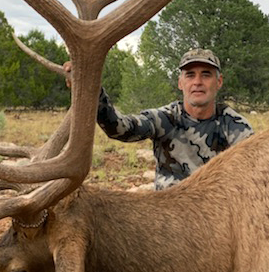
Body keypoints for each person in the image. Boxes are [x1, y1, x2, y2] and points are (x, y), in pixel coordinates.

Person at [65, 48, 253, 190]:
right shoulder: (165, 118)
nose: (197, 82)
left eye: (206, 75)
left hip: (217, 215)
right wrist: (93, 90)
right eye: (190, 75)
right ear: (181, 83)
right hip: (169, 216)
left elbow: (254, 170)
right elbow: (119, 128)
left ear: (218, 82)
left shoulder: (235, 126)